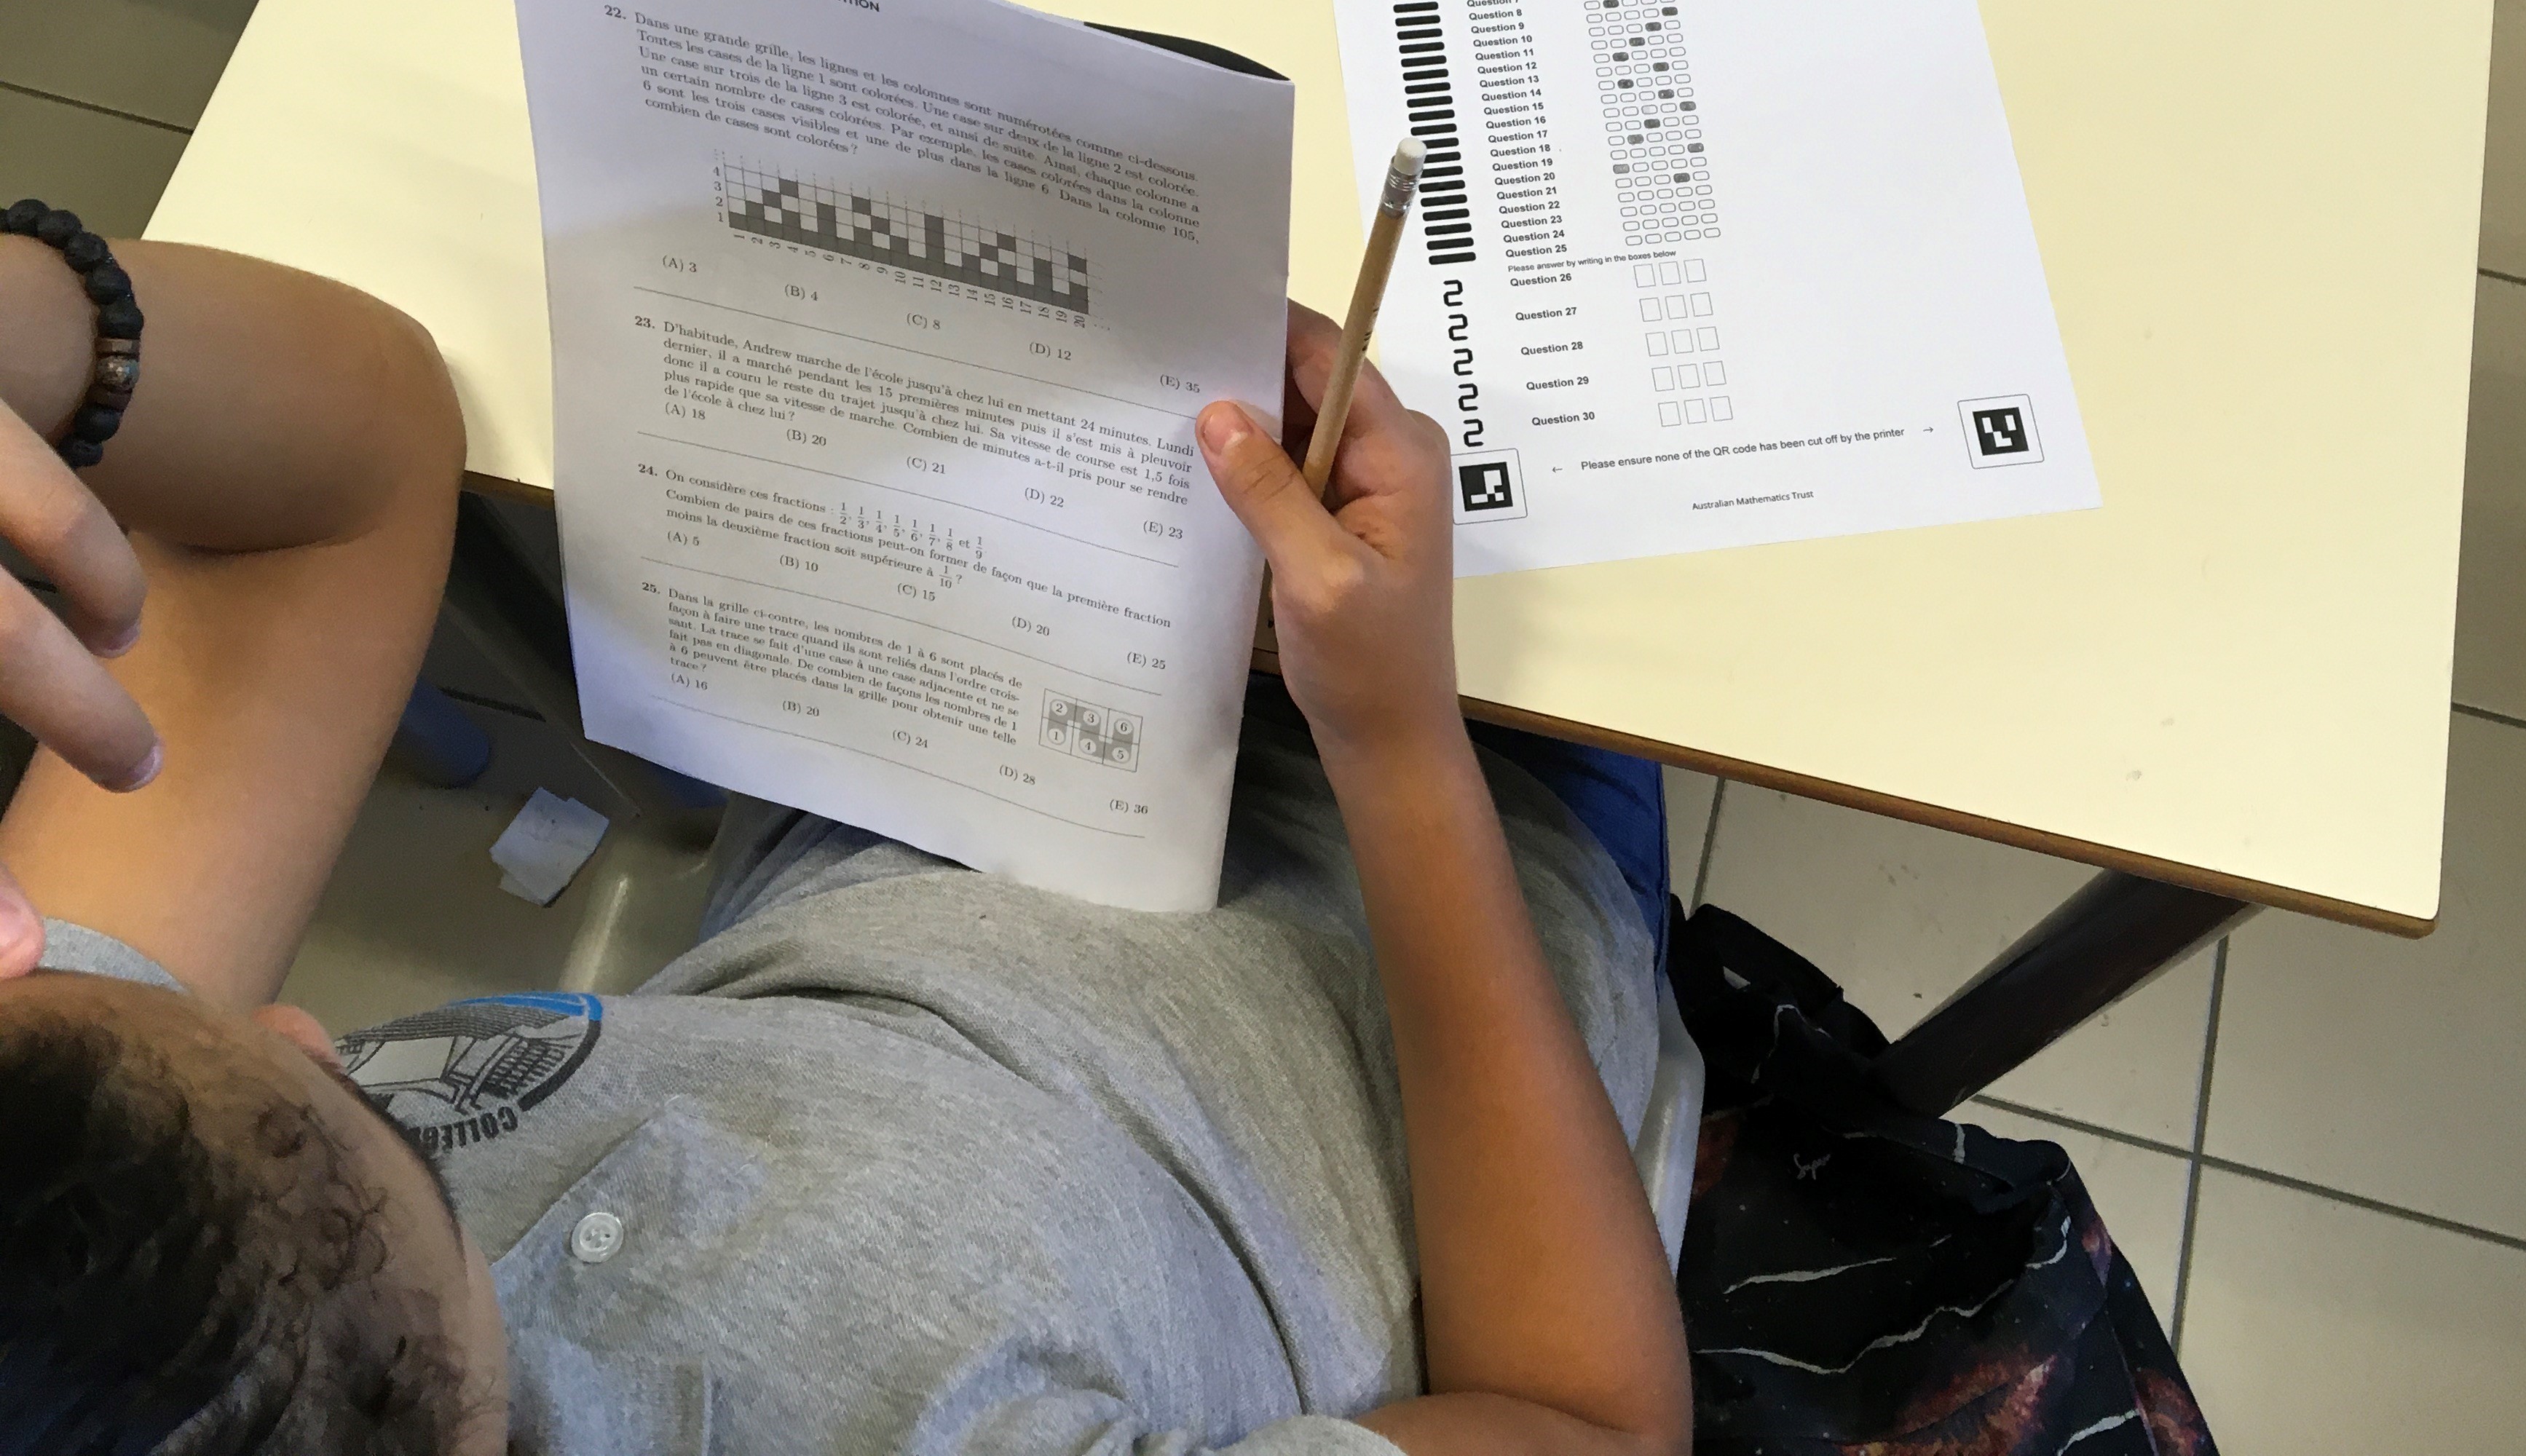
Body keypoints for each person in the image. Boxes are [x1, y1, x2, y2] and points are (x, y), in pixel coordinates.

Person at [0, 224, 1692, 1456]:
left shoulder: (112, 1232)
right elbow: (1583, 1414)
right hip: (1443, 913)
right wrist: (1395, 739)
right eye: (363, 1106)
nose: (309, 1028)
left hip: (907, 828)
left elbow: (352, 463)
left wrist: (36, 326)